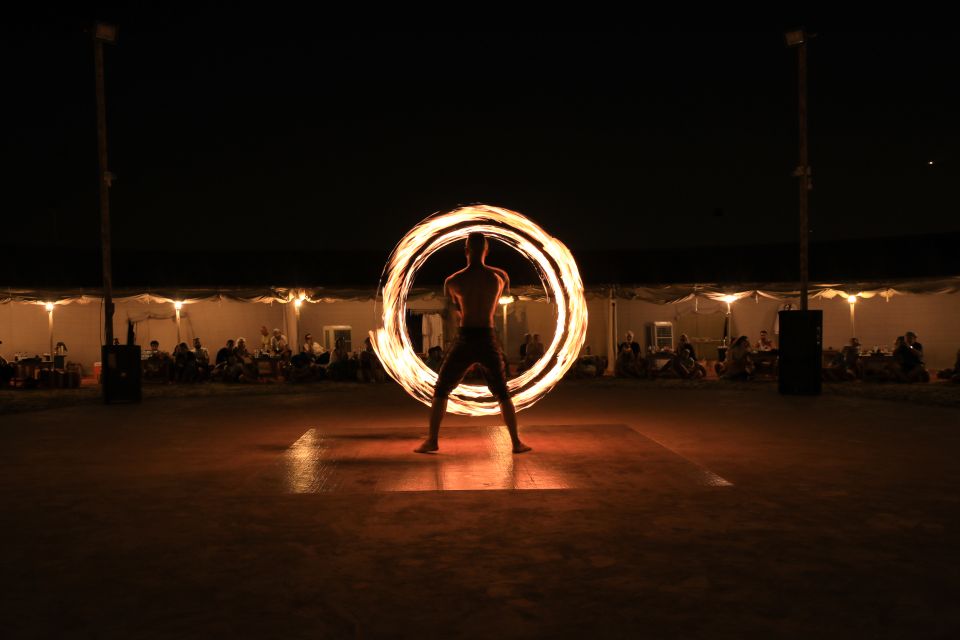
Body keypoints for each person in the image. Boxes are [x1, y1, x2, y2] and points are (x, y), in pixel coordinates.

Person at [415, 232, 530, 454]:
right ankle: (516, 442)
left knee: (441, 389)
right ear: (486, 251)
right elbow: (496, 298)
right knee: (501, 391)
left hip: (465, 337)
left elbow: (454, 314)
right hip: (487, 336)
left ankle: (432, 441)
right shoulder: (498, 278)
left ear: (465, 250)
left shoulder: (453, 281)